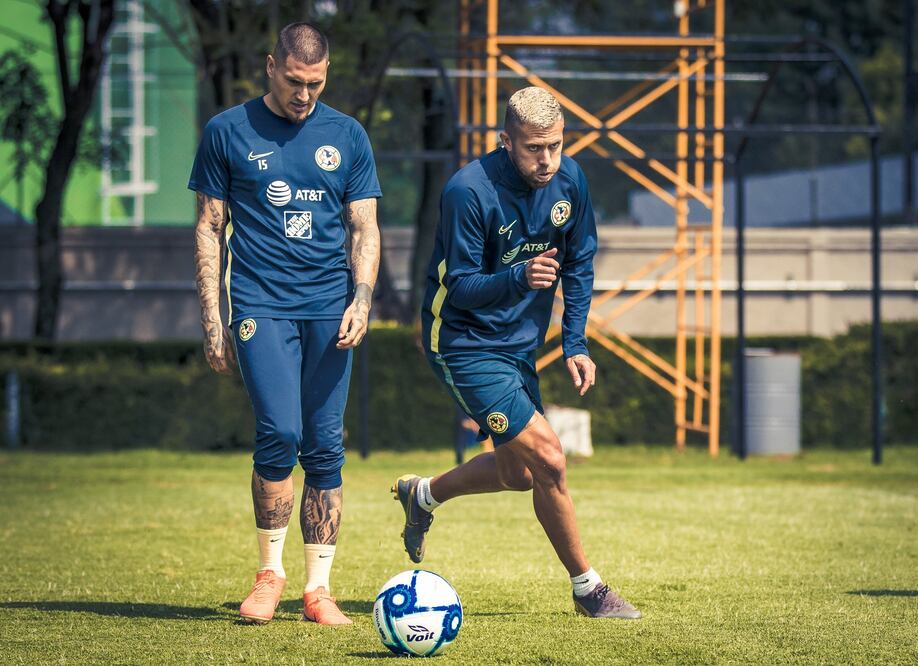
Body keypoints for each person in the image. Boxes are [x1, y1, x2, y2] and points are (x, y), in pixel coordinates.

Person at [394, 86, 641, 620]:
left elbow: (579, 262)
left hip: (518, 346)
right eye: (533, 148)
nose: (547, 160)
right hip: (462, 340)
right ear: (506, 141)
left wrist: (575, 342)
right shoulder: (467, 191)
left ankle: (423, 495)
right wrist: (519, 276)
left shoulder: (570, 180)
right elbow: (459, 286)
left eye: (555, 145)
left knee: (520, 474)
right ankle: (589, 590)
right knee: (549, 459)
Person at [189, 22, 381, 626]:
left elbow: (364, 228)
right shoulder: (227, 131)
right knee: (279, 431)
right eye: (295, 81)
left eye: (316, 84)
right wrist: (213, 318)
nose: (304, 95)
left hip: (329, 306)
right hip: (260, 304)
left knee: (325, 445)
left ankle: (318, 590)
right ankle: (269, 575)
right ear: (271, 66)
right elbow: (210, 226)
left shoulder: (347, 134)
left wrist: (362, 299)